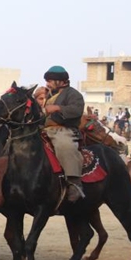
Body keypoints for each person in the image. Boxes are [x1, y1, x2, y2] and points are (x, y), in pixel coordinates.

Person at [42, 65, 85, 202]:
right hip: (44, 129)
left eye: (50, 80)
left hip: (63, 130)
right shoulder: (48, 95)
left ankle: (74, 182)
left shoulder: (73, 94)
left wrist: (57, 107)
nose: (47, 83)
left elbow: (77, 110)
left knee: (64, 146)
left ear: (61, 81)